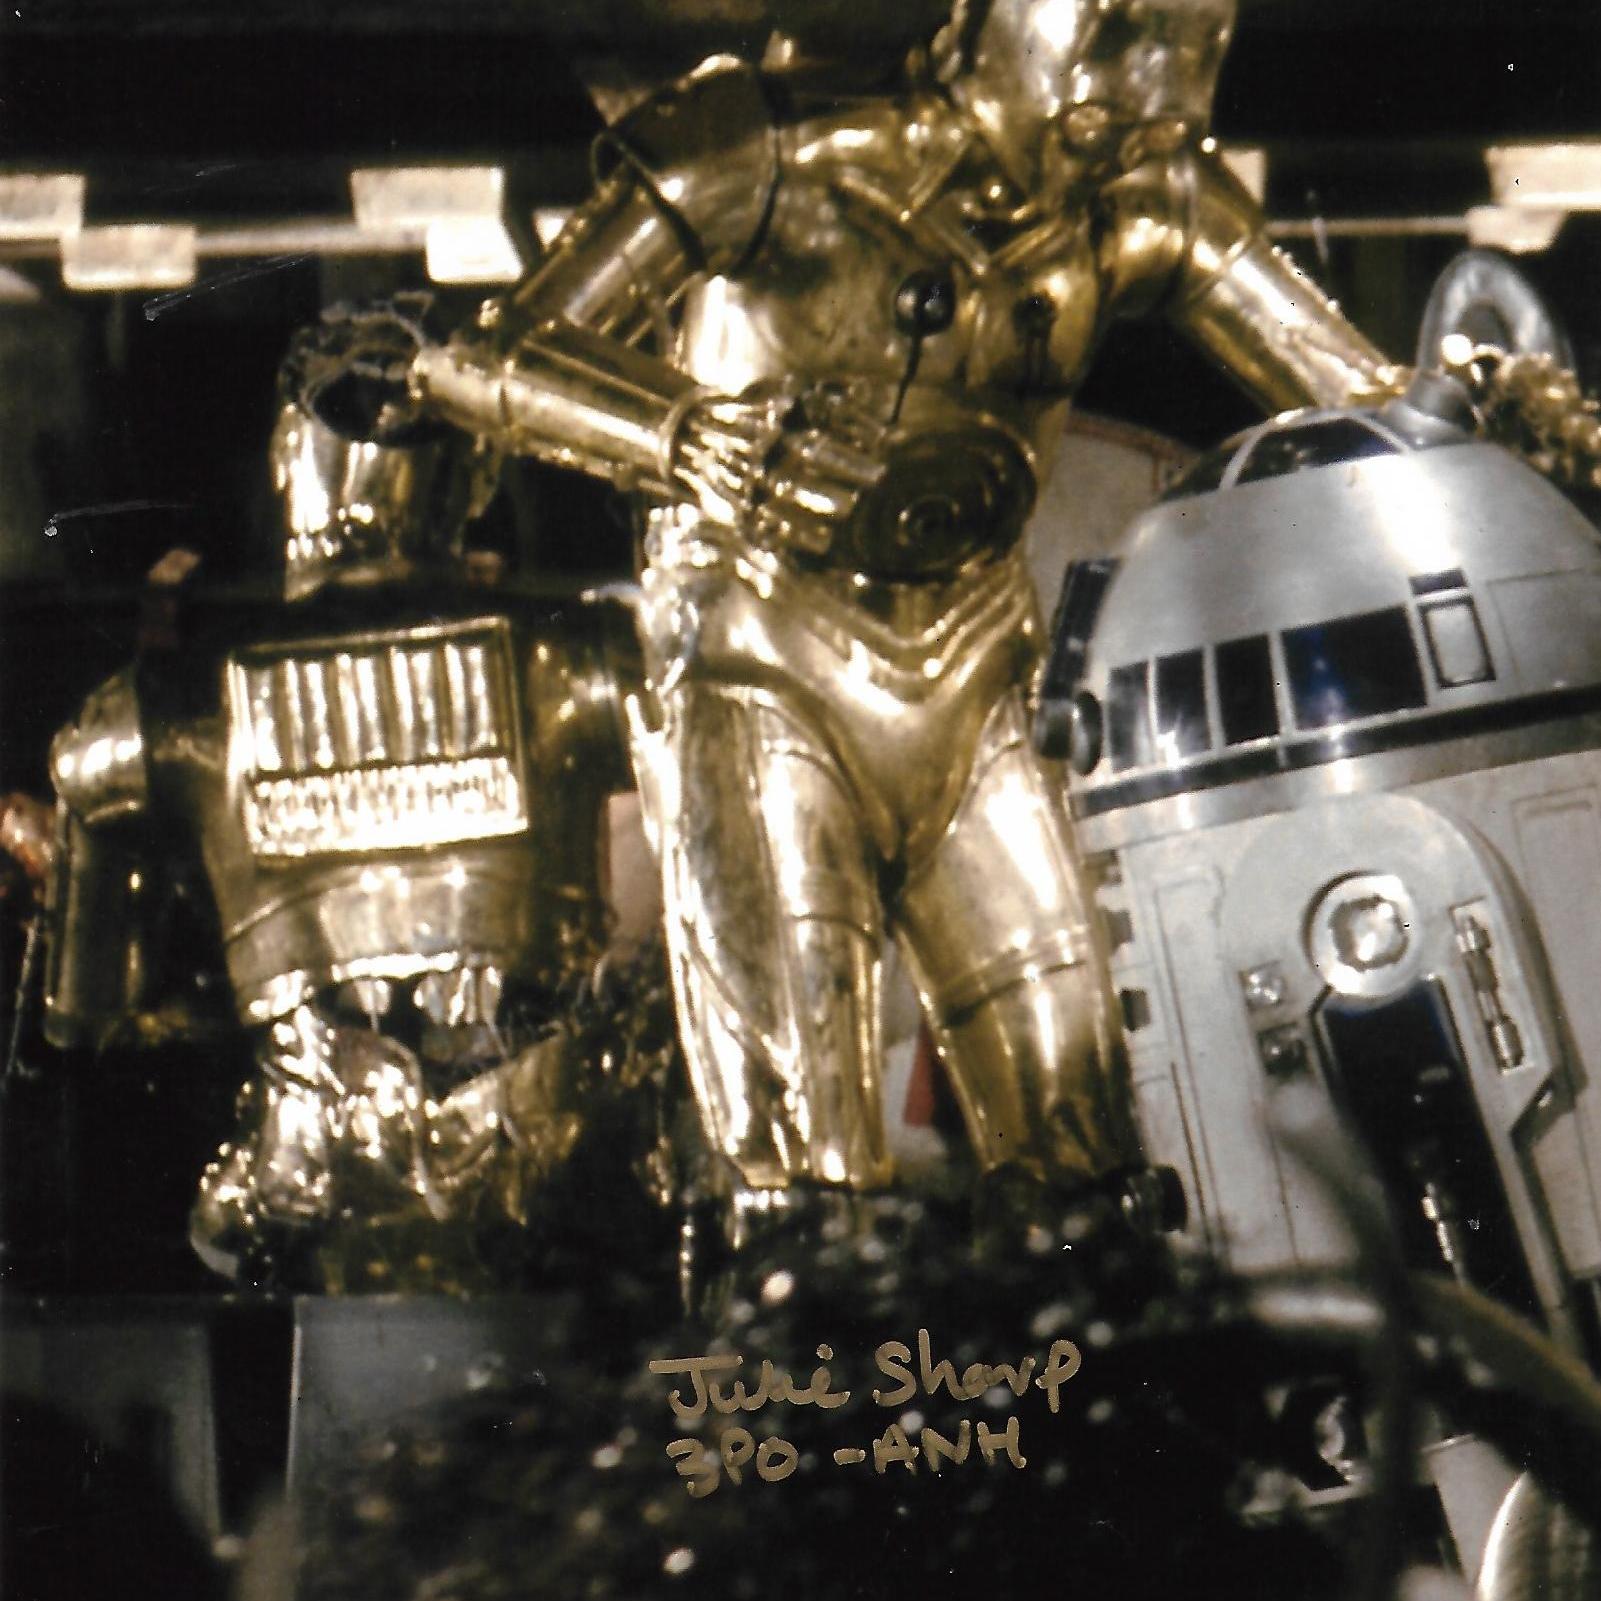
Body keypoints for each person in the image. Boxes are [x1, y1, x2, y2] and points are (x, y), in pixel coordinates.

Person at [396, 0, 1406, 1244]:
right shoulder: (761, 147)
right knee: (799, 1181)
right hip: (759, 660)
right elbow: (486, 356)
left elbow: (1367, 396)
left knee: (1086, 1156)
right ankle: (808, 1365)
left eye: (1191, 37)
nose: (1154, 83)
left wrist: (1507, 407)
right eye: (1116, 25)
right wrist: (685, 435)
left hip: (973, 676)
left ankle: (1072, 1368)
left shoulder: (1133, 202)